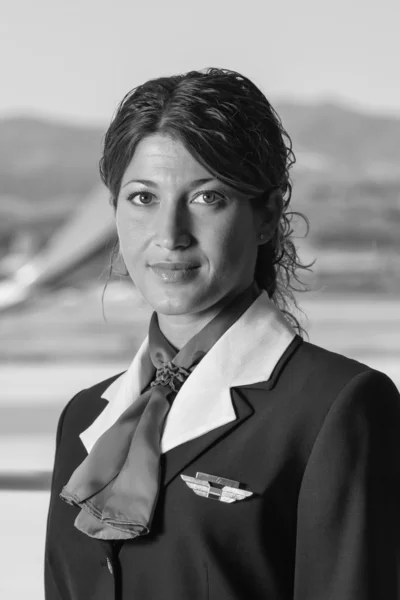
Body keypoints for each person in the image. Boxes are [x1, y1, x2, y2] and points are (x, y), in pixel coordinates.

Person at [44, 68, 400, 600]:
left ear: (266, 213)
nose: (170, 235)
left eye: (207, 198)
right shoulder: (84, 416)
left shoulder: (338, 408)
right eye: (143, 198)